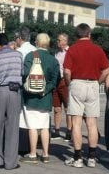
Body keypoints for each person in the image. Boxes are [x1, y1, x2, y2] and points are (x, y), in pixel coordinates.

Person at [63, 23, 109, 168]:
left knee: (76, 122)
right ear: (89, 34)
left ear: (77, 35)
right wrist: (98, 82)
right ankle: (92, 157)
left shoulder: (72, 49)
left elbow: (66, 72)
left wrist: (70, 83)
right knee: (92, 123)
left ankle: (77, 158)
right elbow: (106, 70)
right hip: (93, 84)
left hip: (77, 83)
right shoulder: (97, 49)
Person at [19, 33, 59, 164]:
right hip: (45, 98)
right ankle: (46, 154)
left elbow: (24, 73)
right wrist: (45, 90)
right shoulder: (53, 60)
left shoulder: (31, 56)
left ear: (36, 42)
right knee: (44, 127)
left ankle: (32, 154)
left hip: (31, 97)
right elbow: (55, 80)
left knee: (32, 127)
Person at [0, 33, 23, 170]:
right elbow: (22, 72)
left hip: (0, 91)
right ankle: (10, 162)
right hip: (14, 91)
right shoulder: (18, 55)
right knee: (13, 127)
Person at [14, 26, 36, 155]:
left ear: (19, 38)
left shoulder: (19, 52)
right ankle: (32, 144)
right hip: (34, 85)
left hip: (22, 86)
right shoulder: (35, 50)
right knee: (32, 115)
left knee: (22, 115)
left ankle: (22, 146)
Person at [51, 33, 72, 142]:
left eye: (59, 40)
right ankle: (57, 131)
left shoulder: (70, 52)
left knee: (68, 108)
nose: (57, 42)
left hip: (66, 81)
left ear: (65, 41)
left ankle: (69, 131)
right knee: (57, 108)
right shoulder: (57, 53)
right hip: (56, 81)